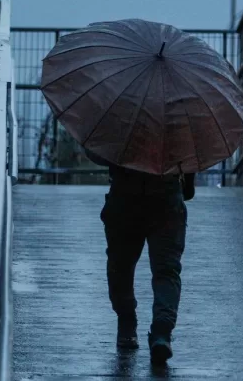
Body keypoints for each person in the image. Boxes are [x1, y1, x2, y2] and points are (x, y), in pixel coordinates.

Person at [85, 148, 195, 363]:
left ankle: (126, 324)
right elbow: (189, 169)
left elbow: (97, 153)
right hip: (167, 200)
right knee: (167, 270)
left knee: (120, 265)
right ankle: (162, 333)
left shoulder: (121, 117)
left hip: (124, 198)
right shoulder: (177, 119)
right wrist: (187, 183)